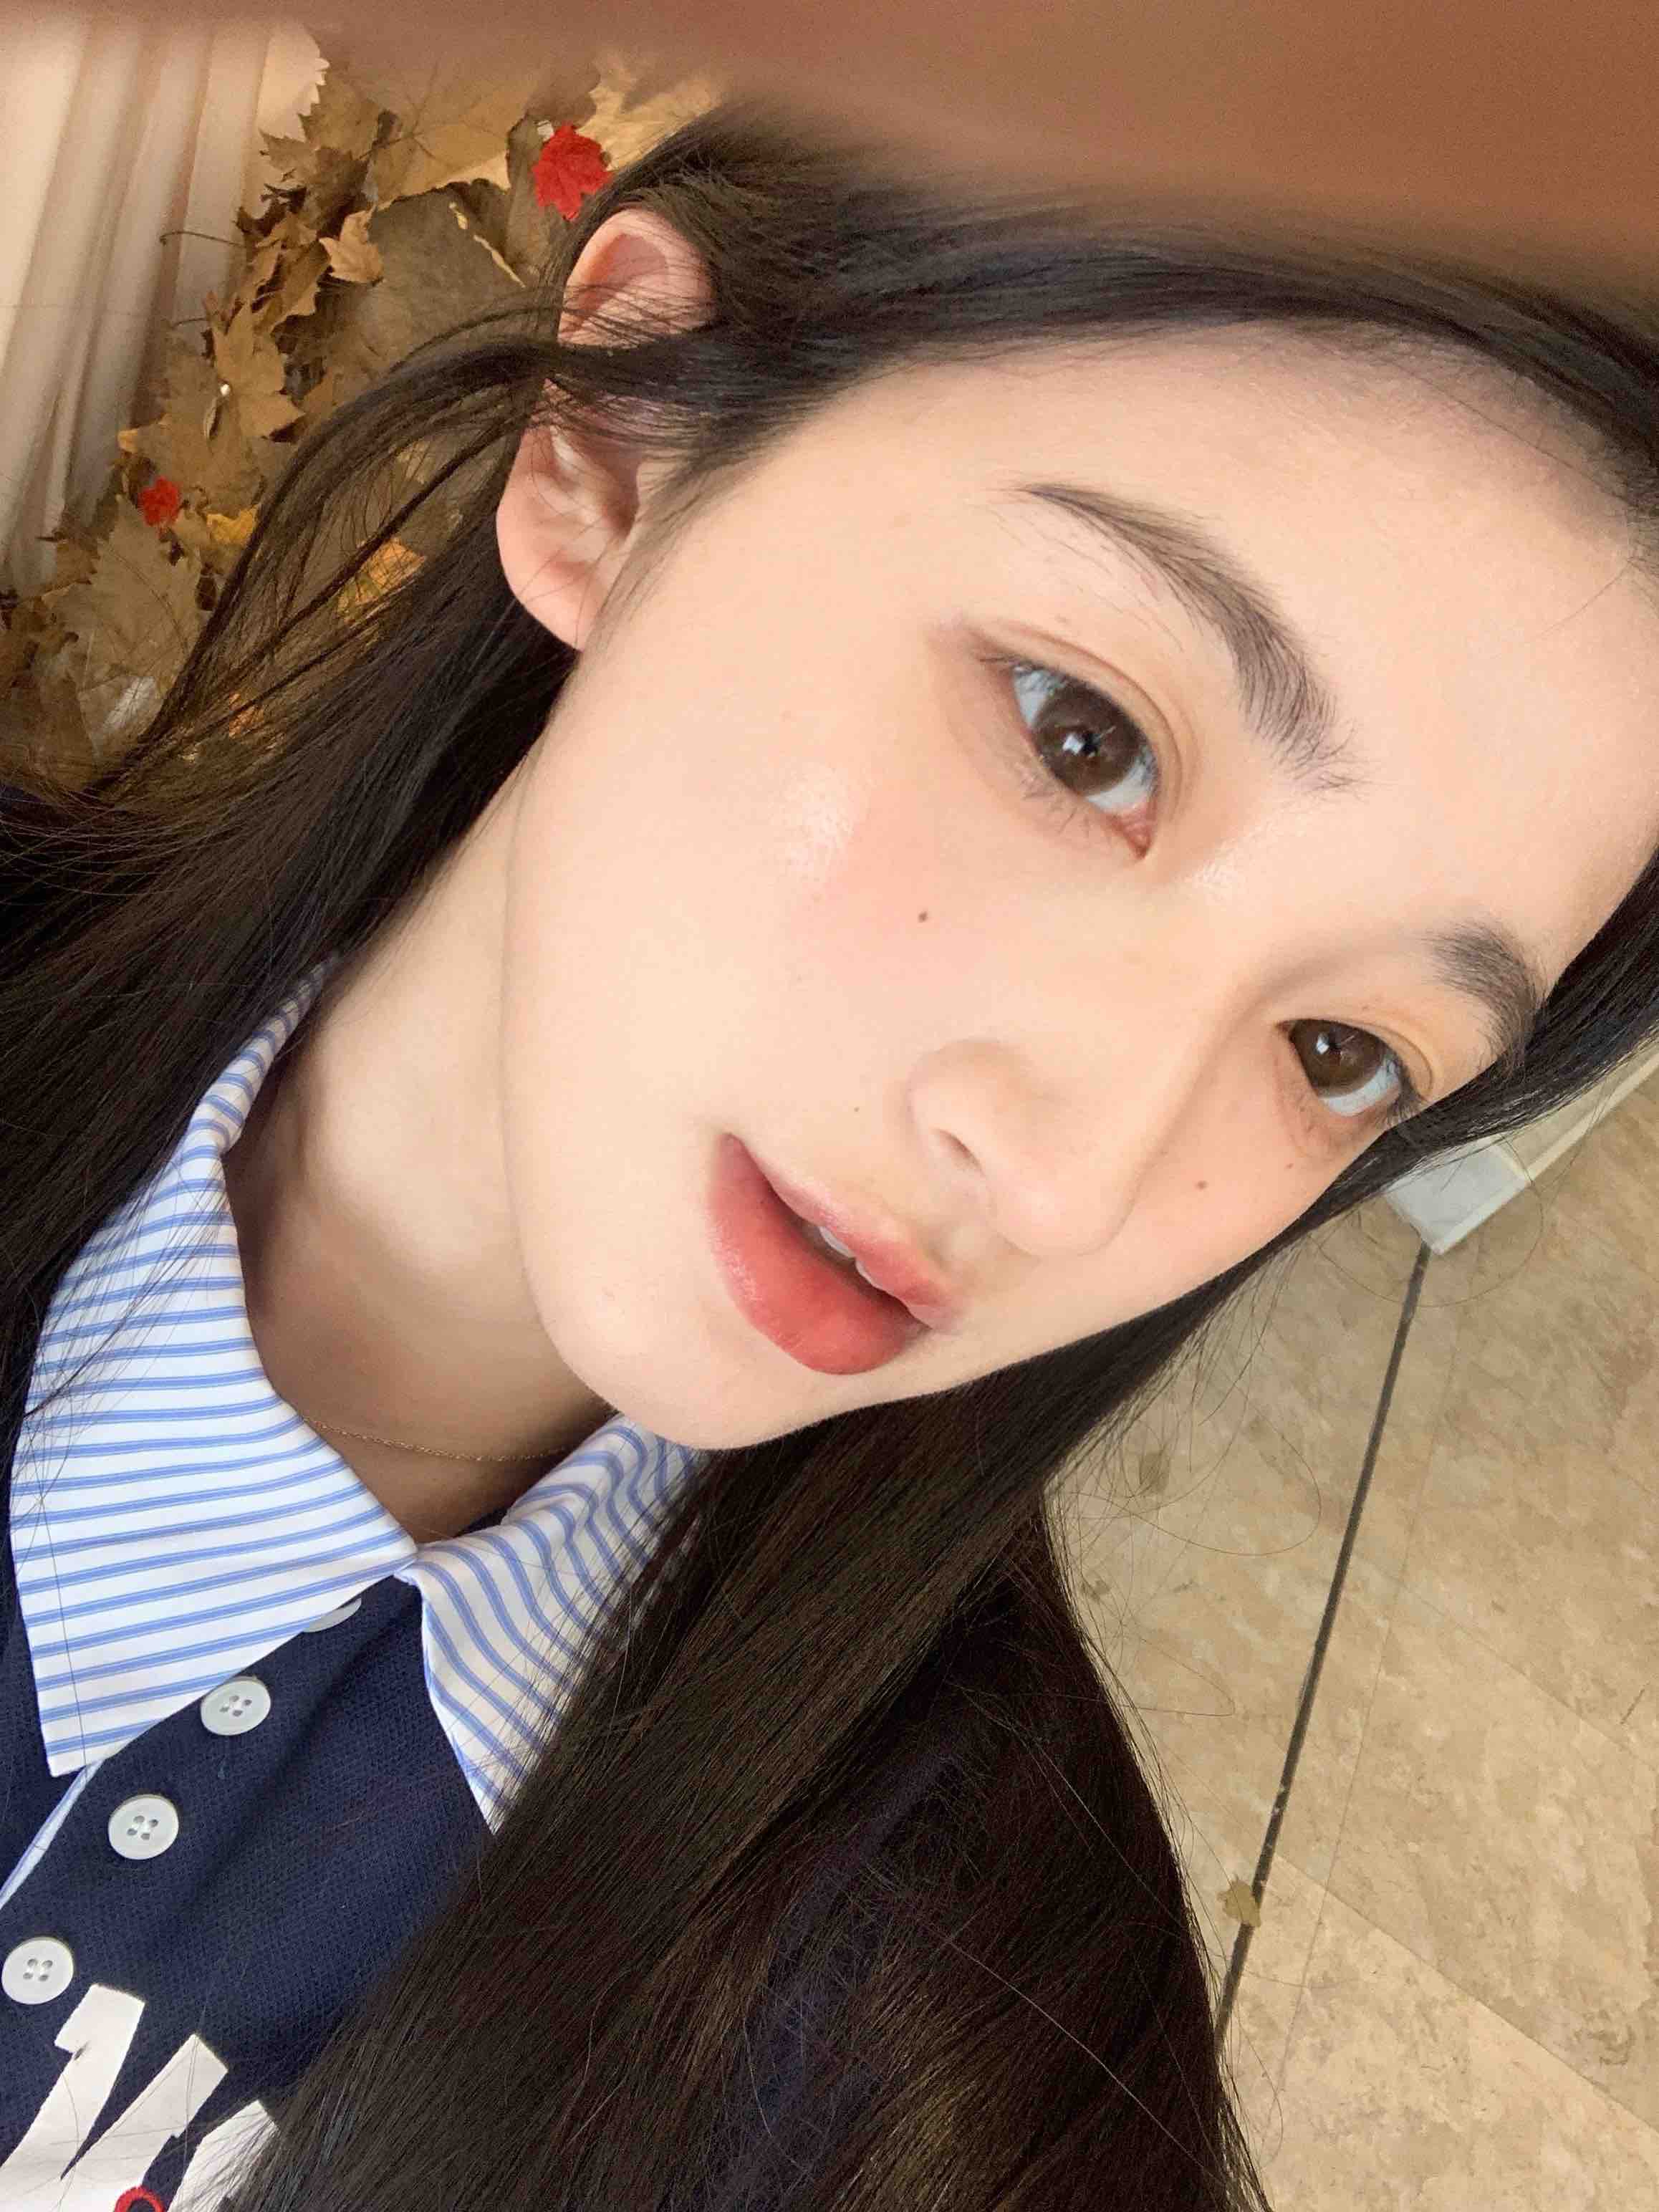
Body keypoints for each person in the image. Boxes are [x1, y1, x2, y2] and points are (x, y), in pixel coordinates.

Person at [3, 97, 1659, 2212]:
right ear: (627, 442)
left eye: (1340, 1052)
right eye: (1083, 737)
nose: (1066, 1186)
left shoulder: (943, 2084)